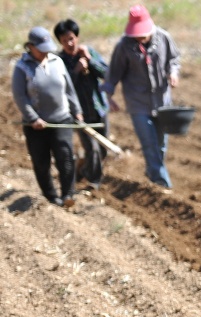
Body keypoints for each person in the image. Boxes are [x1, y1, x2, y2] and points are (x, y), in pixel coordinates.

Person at [101, 5, 181, 189]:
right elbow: (113, 74)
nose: (140, 37)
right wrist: (108, 96)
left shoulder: (163, 38)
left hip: (162, 102)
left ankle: (152, 172)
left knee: (161, 145)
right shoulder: (123, 47)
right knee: (150, 144)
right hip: (138, 104)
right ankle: (162, 185)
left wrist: (173, 73)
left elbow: (174, 59)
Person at [11, 27, 83, 208]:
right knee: (41, 162)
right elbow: (20, 96)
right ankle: (51, 197)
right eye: (40, 48)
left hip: (61, 119)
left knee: (66, 157)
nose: (44, 51)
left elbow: (69, 90)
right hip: (36, 125)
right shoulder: (22, 67)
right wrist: (33, 118)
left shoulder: (57, 62)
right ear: (30, 46)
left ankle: (68, 194)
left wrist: (77, 111)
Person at [54, 18, 110, 190]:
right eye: (65, 41)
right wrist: (76, 70)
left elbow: (107, 74)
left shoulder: (89, 52)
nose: (69, 43)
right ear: (60, 42)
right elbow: (60, 85)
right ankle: (94, 182)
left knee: (102, 149)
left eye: (71, 39)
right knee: (91, 149)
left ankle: (83, 168)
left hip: (98, 109)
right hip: (78, 113)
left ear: (77, 37)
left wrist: (89, 60)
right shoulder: (59, 60)